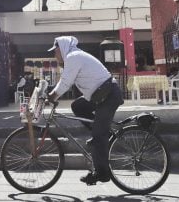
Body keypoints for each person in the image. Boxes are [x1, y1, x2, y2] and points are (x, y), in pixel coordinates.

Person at [46, 36, 124, 186]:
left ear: (62, 48)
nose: (55, 56)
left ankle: (101, 173)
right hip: (99, 95)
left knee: (98, 136)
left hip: (108, 96)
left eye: (55, 52)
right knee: (78, 106)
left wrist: (52, 96)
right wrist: (52, 95)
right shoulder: (73, 57)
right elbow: (65, 80)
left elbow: (65, 82)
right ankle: (102, 134)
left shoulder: (74, 57)